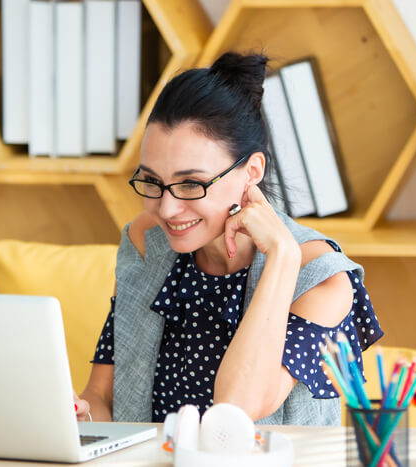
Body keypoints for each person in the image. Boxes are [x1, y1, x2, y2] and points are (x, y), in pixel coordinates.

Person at [72, 52, 382, 425]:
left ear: (251, 172)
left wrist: (282, 256)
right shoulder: (146, 242)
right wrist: (81, 415)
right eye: (152, 181)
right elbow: (104, 394)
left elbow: (238, 405)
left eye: (190, 184)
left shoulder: (322, 279)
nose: (167, 209)